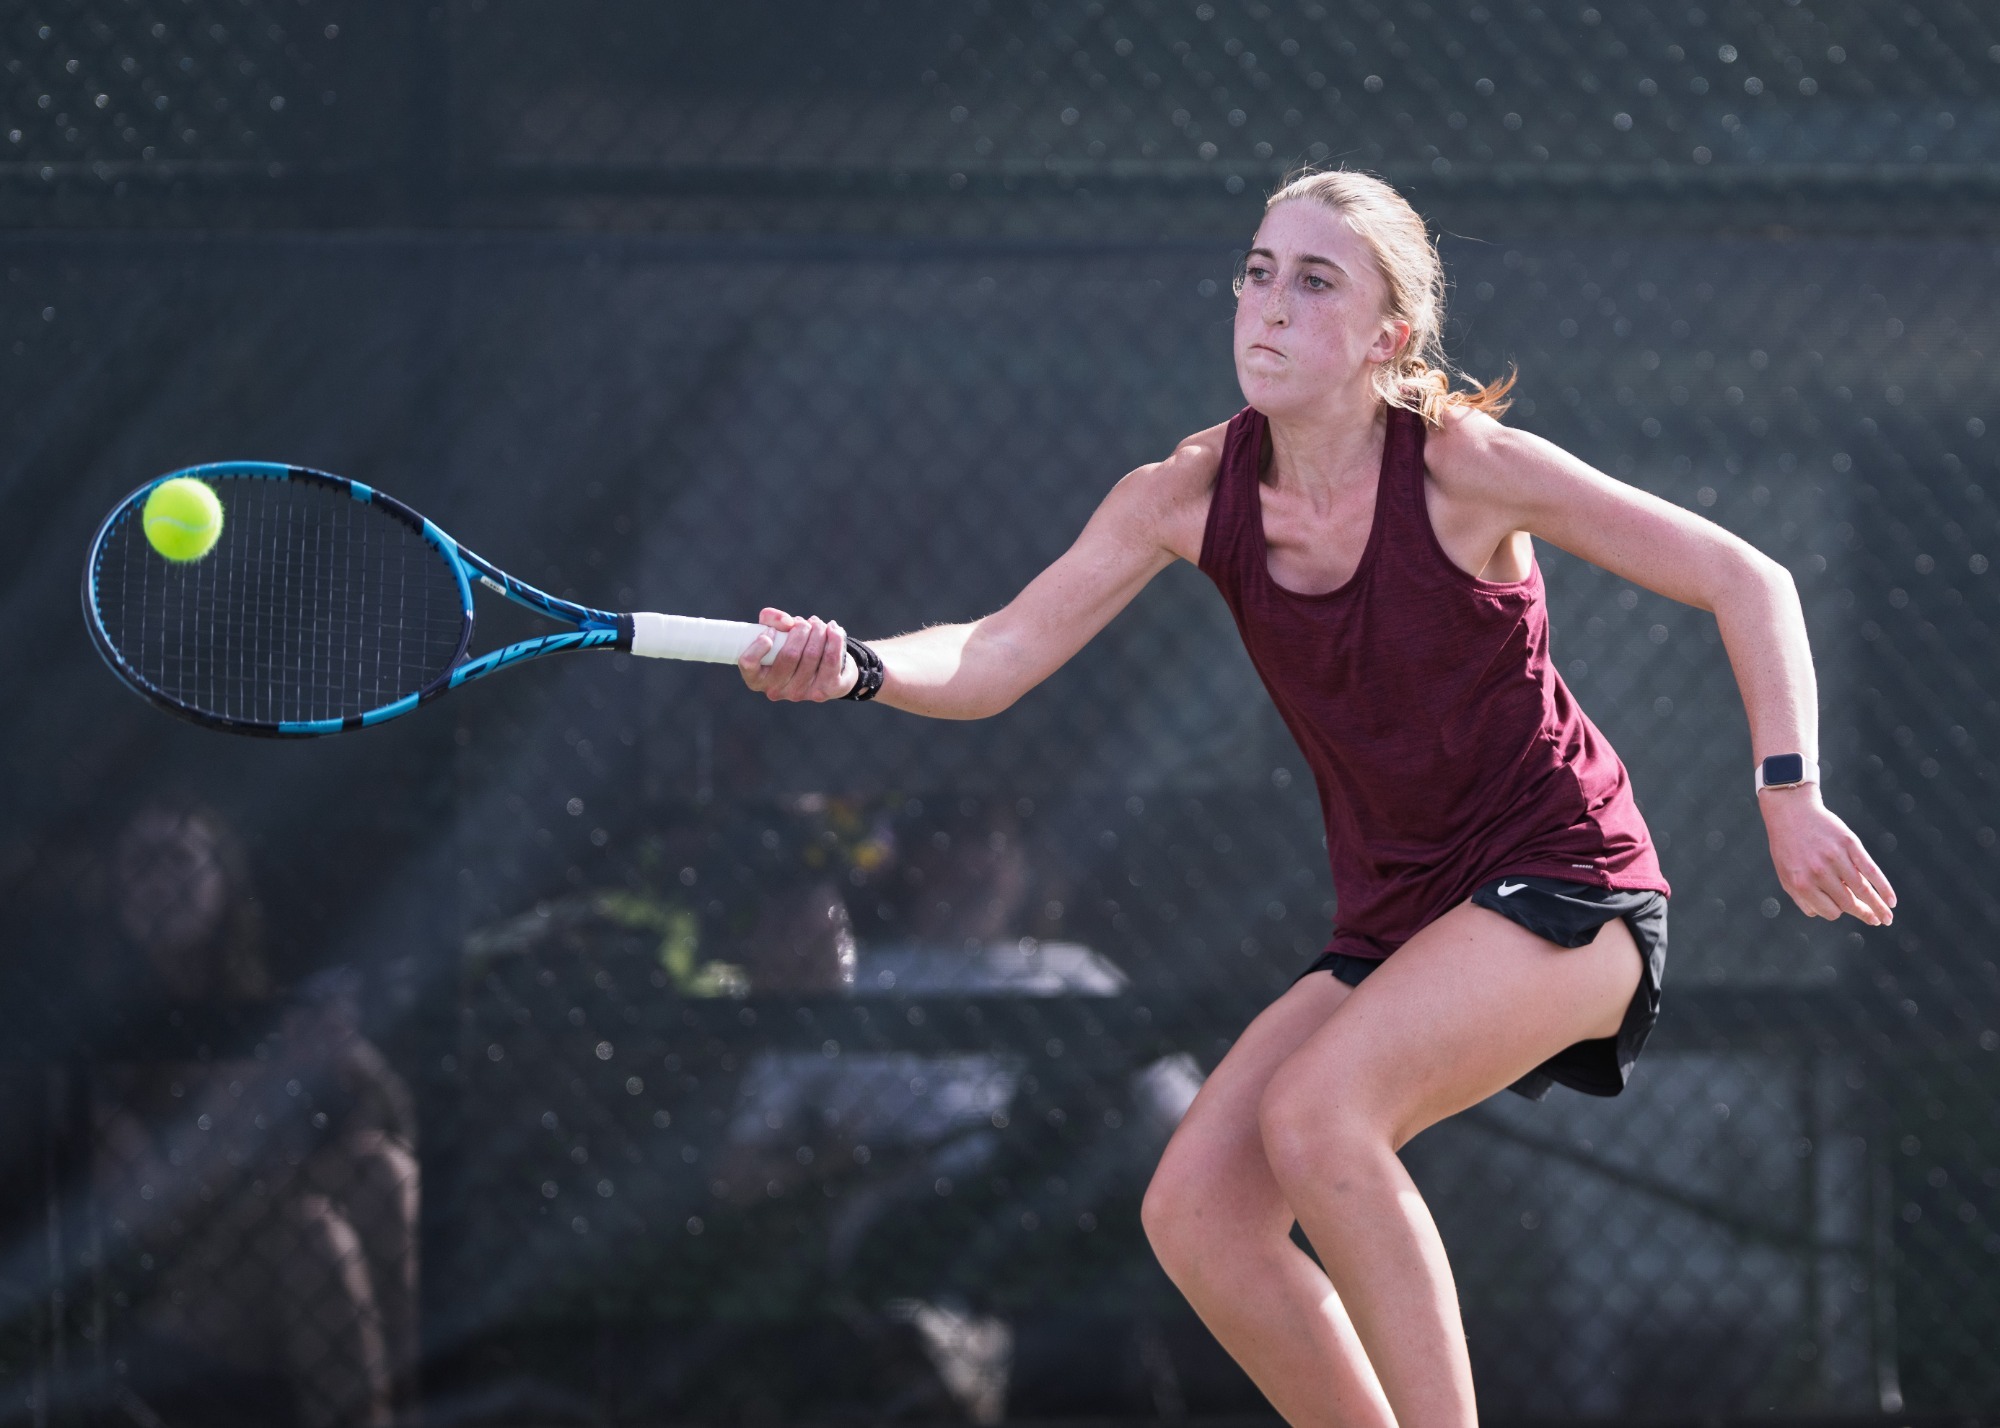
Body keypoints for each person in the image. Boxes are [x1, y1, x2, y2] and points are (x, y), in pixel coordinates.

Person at [733, 168, 1896, 1427]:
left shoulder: (1466, 470)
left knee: (1320, 1117)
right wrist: (855, 667)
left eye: (1313, 280)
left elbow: (1748, 577)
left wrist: (1789, 790)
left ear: (1386, 338)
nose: (1267, 305)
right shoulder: (1182, 493)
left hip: (1571, 883)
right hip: (1399, 914)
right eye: (1255, 270)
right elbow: (994, 656)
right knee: (1197, 1215)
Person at [94, 806, 420, 1428]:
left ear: (224, 881)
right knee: (309, 1233)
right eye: (143, 863)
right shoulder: (100, 1038)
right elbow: (149, 1221)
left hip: (302, 1246)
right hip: (178, 1293)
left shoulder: (267, 1001)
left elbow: (396, 1132)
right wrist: (264, 1084)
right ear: (116, 895)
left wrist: (352, 1059)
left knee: (378, 1169)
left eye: (181, 858)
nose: (164, 880)